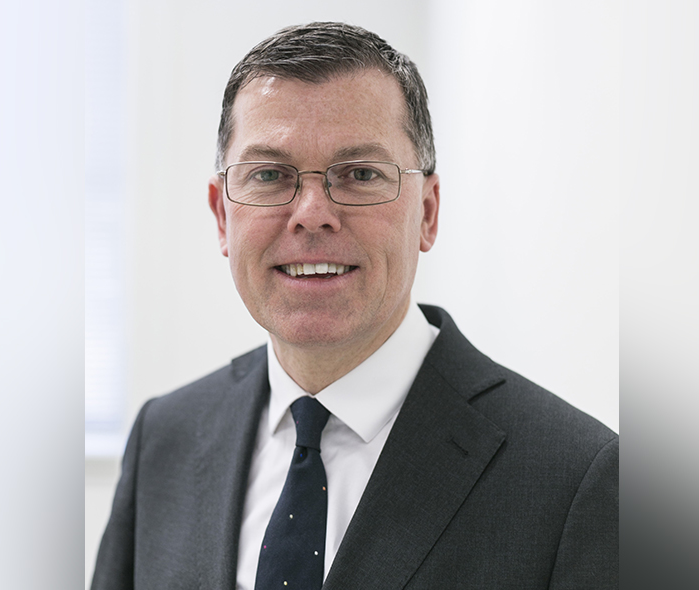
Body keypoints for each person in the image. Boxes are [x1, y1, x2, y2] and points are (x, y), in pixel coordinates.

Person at [92, 22, 618, 590]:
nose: (312, 212)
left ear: (428, 211)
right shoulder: (165, 437)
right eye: (270, 175)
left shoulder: (575, 480)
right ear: (223, 216)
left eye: (360, 174)